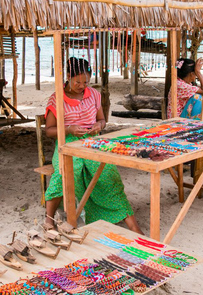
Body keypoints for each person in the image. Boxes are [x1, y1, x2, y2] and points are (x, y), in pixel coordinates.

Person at [44, 58, 143, 235]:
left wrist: (99, 126)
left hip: (93, 142)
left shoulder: (94, 95)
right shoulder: (57, 98)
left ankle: (132, 224)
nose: (82, 86)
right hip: (67, 144)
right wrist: (69, 129)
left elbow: (102, 120)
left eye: (86, 82)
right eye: (78, 82)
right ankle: (48, 219)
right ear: (68, 76)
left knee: (108, 173)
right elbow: (49, 130)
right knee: (66, 173)